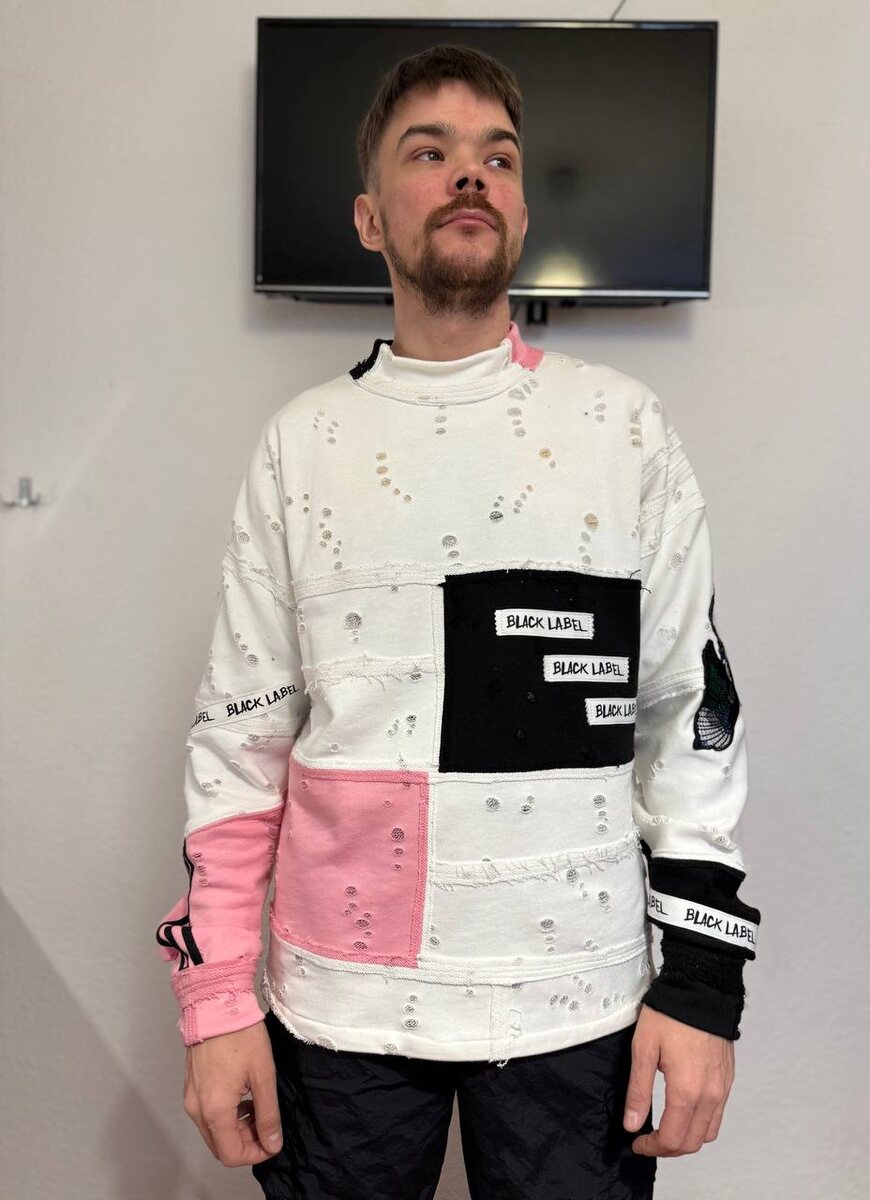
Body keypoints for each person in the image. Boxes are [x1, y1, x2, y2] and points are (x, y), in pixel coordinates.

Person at [154, 44, 760, 1199]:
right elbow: (239, 743)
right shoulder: (301, 446)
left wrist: (701, 986)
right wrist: (216, 999)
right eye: (428, 154)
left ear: (523, 211)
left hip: (583, 1010)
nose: (469, 175)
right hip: (337, 1010)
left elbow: (690, 718)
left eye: (498, 157)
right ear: (370, 219)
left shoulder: (625, 430)